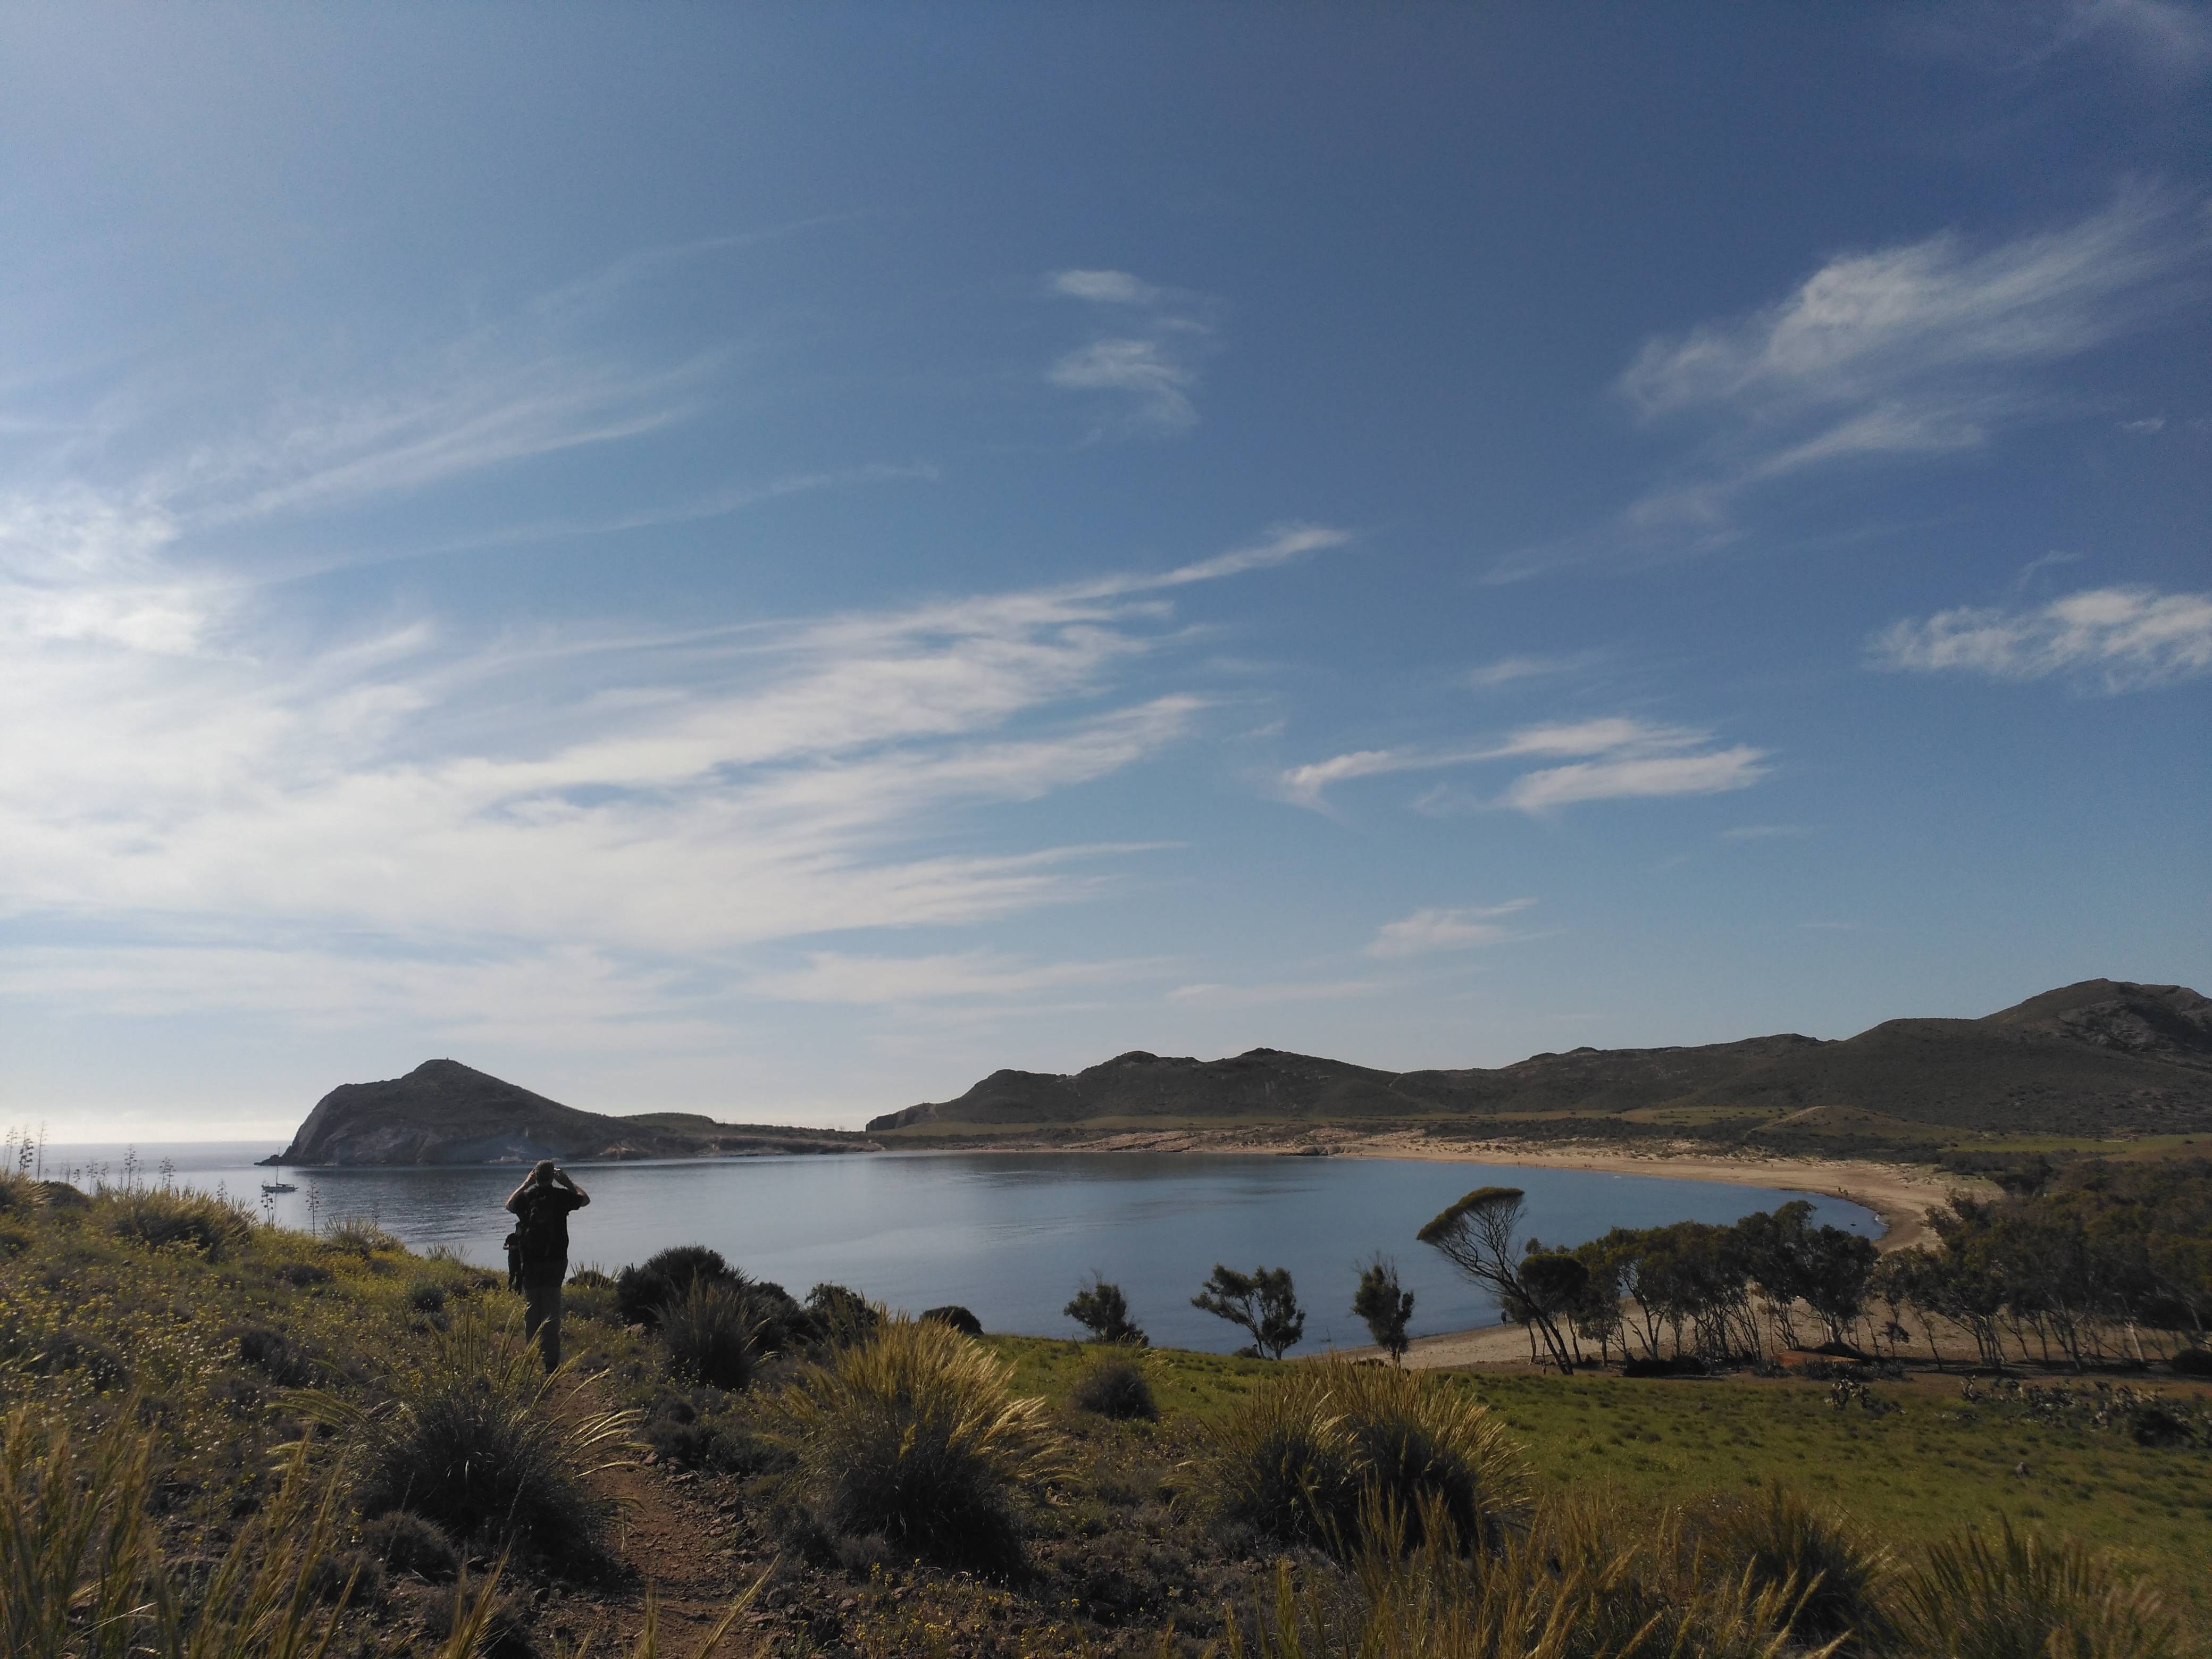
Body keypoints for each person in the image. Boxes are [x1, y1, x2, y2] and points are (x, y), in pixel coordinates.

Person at [504, 1160, 590, 1369]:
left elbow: (509, 1205)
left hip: (531, 1262)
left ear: (535, 1176)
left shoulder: (527, 1197)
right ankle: (551, 1361)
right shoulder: (562, 1197)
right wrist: (567, 1182)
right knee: (551, 1308)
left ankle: (532, 1355)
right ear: (553, 1177)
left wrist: (526, 1183)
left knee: (533, 1307)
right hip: (556, 1260)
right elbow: (585, 1200)